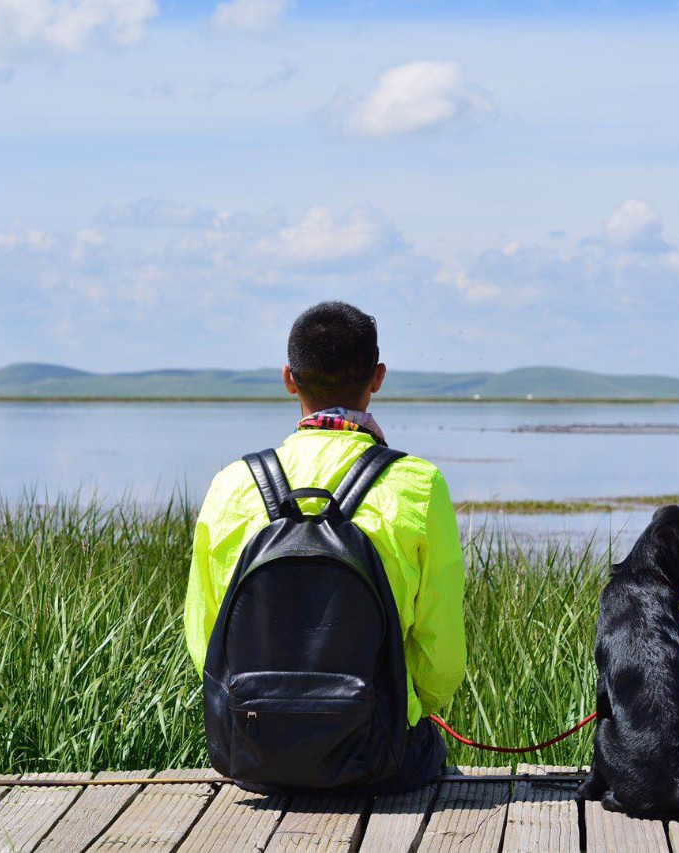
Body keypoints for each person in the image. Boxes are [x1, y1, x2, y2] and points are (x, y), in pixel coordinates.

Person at [184, 300, 467, 794]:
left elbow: (205, 638)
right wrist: (411, 705)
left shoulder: (231, 484)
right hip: (382, 759)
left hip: (256, 756)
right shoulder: (418, 484)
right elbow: (441, 657)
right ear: (377, 377)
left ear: (289, 378)